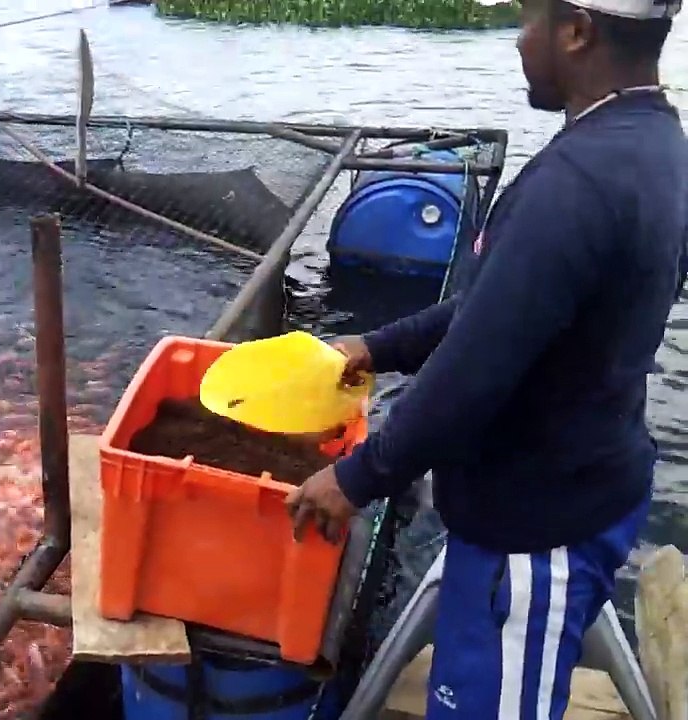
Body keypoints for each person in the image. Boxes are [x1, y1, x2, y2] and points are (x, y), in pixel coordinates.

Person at [284, 0, 686, 715]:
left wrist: (355, 477)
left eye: (528, 19)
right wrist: (375, 346)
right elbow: (502, 312)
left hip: (535, 539)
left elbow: (476, 370)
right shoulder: (654, 144)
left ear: (577, 31)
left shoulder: (578, 183)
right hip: (585, 485)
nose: (519, 42)